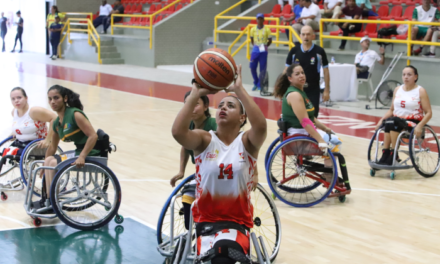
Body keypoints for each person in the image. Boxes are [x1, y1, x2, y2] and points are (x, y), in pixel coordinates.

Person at [171, 65, 267, 264]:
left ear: (242, 118)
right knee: (218, 256)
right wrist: (195, 93)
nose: (223, 107)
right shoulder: (205, 139)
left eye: (230, 106)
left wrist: (239, 90)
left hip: (237, 223)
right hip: (206, 222)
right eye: (221, 105)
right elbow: (178, 133)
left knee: (223, 255)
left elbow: (261, 126)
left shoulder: (247, 142)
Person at [274, 64, 342, 181]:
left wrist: (325, 129)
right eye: (297, 74)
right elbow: (305, 121)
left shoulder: (300, 92)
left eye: (302, 73)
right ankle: (328, 174)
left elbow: (311, 117)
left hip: (304, 133)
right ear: (290, 78)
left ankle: (328, 171)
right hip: (299, 138)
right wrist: (320, 140)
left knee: (333, 137)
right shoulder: (295, 95)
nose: (301, 76)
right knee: (335, 143)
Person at [40, 85, 100, 208]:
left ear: (65, 98)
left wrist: (82, 156)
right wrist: (43, 165)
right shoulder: (57, 122)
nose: (52, 102)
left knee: (52, 163)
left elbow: (93, 136)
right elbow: (52, 147)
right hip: (78, 150)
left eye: (56, 98)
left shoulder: (75, 114)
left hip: (90, 150)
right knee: (48, 160)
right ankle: (48, 198)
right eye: (50, 99)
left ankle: (53, 200)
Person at [170, 91, 217, 230]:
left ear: (206, 106)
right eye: (188, 105)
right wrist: (181, 171)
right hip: (202, 174)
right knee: (187, 199)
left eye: (196, 104)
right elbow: (185, 147)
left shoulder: (214, 124)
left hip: (216, 175)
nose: (191, 108)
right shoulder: (188, 125)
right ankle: (192, 233)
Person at [374, 66, 432, 165]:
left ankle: (394, 153)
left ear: (415, 77)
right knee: (389, 121)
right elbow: (391, 110)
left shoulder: (420, 91)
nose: (406, 77)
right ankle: (386, 153)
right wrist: (381, 121)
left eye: (409, 75)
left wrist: (420, 126)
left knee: (393, 121)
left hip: (413, 122)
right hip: (396, 120)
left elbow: (429, 113)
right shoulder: (397, 89)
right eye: (404, 74)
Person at [0, 87, 56, 175]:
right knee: (3, 151)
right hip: (21, 144)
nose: (16, 101)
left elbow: (55, 118)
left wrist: (48, 139)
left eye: (19, 97)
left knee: (7, 154)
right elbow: (21, 126)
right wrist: (15, 133)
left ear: (26, 98)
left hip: (37, 146)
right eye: (13, 99)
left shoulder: (34, 111)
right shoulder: (14, 112)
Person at [285, 25, 330, 118]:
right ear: (300, 36)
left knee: (312, 116)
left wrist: (326, 90)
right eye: (303, 34)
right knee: (296, 116)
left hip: (313, 89)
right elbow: (286, 70)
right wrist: (282, 87)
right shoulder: (294, 51)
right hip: (296, 89)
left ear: (313, 36)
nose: (305, 37)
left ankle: (311, 133)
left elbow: (326, 71)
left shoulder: (319, 51)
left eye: (308, 34)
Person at [250, 13, 272, 91]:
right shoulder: (252, 29)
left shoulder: (267, 29)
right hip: (255, 49)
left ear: (263, 20)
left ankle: (259, 84)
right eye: (258, 18)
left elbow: (270, 40)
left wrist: (265, 46)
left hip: (263, 49)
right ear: (256, 19)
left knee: (263, 68)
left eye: (261, 18)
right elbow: (251, 39)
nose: (259, 20)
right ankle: (255, 82)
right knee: (252, 66)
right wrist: (256, 46)